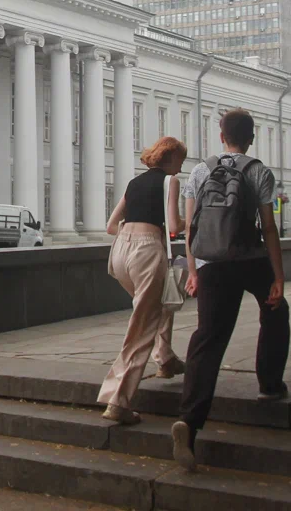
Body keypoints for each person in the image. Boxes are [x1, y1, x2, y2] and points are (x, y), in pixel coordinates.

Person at [171, 109, 289, 472]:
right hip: (250, 259)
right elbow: (268, 227)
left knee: (208, 338)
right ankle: (269, 384)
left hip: (212, 264)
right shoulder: (259, 172)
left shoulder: (200, 170)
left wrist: (194, 271)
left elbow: (191, 228)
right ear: (251, 138)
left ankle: (189, 422)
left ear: (221, 136)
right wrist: (278, 277)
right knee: (276, 310)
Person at [98, 136, 189, 425]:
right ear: (170, 158)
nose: (181, 167)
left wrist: (133, 232)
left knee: (159, 303)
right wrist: (194, 219)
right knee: (142, 326)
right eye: (180, 161)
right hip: (147, 250)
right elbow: (173, 226)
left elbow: (110, 226)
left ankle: (165, 358)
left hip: (120, 253)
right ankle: (118, 400)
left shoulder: (134, 183)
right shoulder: (171, 182)